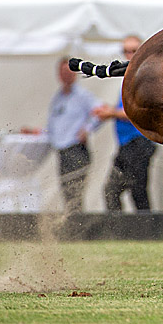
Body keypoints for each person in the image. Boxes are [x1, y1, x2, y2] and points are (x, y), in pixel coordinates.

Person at [93, 36, 156, 211]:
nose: (129, 56)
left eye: (133, 51)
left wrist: (111, 113)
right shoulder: (131, 77)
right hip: (128, 144)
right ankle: (125, 230)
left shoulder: (144, 77)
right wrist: (111, 110)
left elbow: (140, 110)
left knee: (134, 190)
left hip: (139, 142)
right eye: (126, 51)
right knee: (118, 190)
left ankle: (140, 230)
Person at [46, 57, 103, 213]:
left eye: (69, 72)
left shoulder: (83, 96)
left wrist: (87, 129)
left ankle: (78, 227)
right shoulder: (58, 98)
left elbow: (100, 112)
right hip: (62, 151)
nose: (66, 76)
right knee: (67, 191)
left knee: (75, 191)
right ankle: (72, 225)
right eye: (63, 72)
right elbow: (53, 124)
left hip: (76, 149)